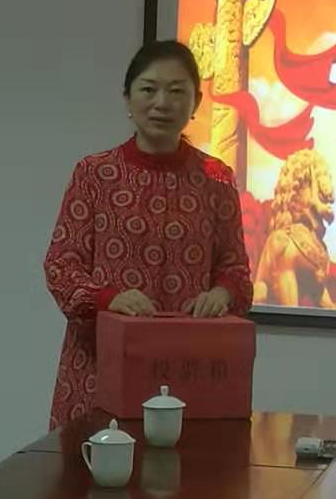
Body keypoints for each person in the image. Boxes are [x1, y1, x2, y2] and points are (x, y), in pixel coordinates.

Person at [44, 39, 253, 428]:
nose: (162, 103)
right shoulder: (94, 174)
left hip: (187, 368)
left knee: (188, 465)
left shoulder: (216, 178)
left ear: (196, 101)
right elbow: (61, 266)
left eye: (176, 91)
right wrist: (110, 298)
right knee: (94, 464)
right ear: (128, 97)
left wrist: (222, 294)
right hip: (99, 366)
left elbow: (235, 268)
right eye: (148, 89)